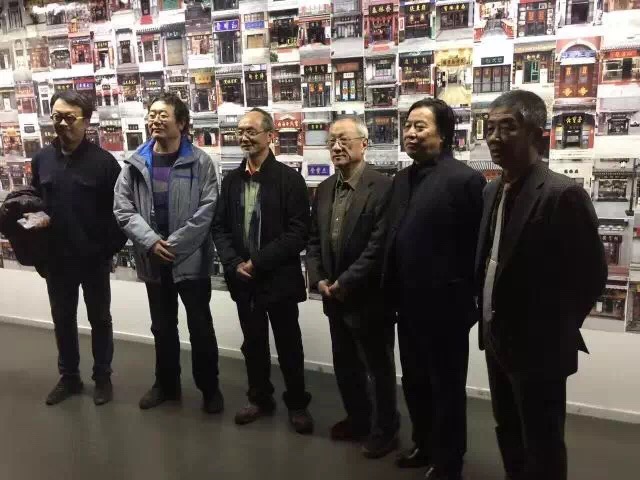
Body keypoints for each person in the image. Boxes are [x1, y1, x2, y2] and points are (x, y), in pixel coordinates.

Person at [476, 90, 607, 480]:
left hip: (540, 348)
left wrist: (553, 329)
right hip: (496, 338)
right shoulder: (491, 190)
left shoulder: (561, 193)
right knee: (508, 428)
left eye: (507, 127)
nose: (495, 137)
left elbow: (591, 276)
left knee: (543, 441)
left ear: (536, 132)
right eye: (490, 128)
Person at [382, 98, 486, 480]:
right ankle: (423, 444)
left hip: (446, 309)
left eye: (420, 126)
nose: (410, 133)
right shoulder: (401, 180)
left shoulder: (465, 180)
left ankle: (448, 460)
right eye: (408, 125)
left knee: (446, 388)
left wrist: (466, 304)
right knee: (414, 383)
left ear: (443, 134)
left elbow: (476, 247)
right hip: (407, 305)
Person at [113, 92, 223, 414]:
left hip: (190, 262)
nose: (155, 120)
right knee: (162, 327)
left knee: (200, 327)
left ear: (182, 122)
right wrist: (150, 242)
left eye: (163, 115)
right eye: (152, 114)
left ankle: (210, 389)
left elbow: (207, 210)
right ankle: (166, 385)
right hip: (153, 261)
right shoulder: (135, 163)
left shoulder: (200, 162)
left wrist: (173, 246)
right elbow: (123, 208)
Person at [211, 108, 313, 434]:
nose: (244, 137)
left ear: (270, 136)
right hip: (244, 280)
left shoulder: (289, 180)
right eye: (240, 131)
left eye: (251, 131)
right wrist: (233, 263)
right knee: (253, 343)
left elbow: (298, 232)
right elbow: (220, 228)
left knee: (289, 345)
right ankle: (259, 398)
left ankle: (297, 404)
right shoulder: (231, 181)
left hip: (278, 278)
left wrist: (258, 261)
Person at [306, 116, 399, 458]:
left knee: (378, 368)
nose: (336, 147)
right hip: (333, 296)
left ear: (364, 144)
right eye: (332, 141)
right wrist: (318, 278)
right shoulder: (324, 188)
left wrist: (345, 282)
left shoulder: (384, 187)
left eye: (344, 140)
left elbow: (379, 246)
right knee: (345, 365)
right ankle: (358, 419)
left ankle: (386, 430)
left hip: (369, 297)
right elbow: (313, 241)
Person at [30, 90, 126, 406]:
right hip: (56, 260)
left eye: (69, 118)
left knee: (100, 319)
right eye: (56, 116)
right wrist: (38, 245)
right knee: (63, 320)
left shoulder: (104, 163)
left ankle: (103, 378)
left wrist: (106, 251)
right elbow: (35, 204)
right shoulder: (42, 159)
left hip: (93, 260)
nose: (62, 123)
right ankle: (69, 377)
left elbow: (120, 214)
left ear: (86, 121)